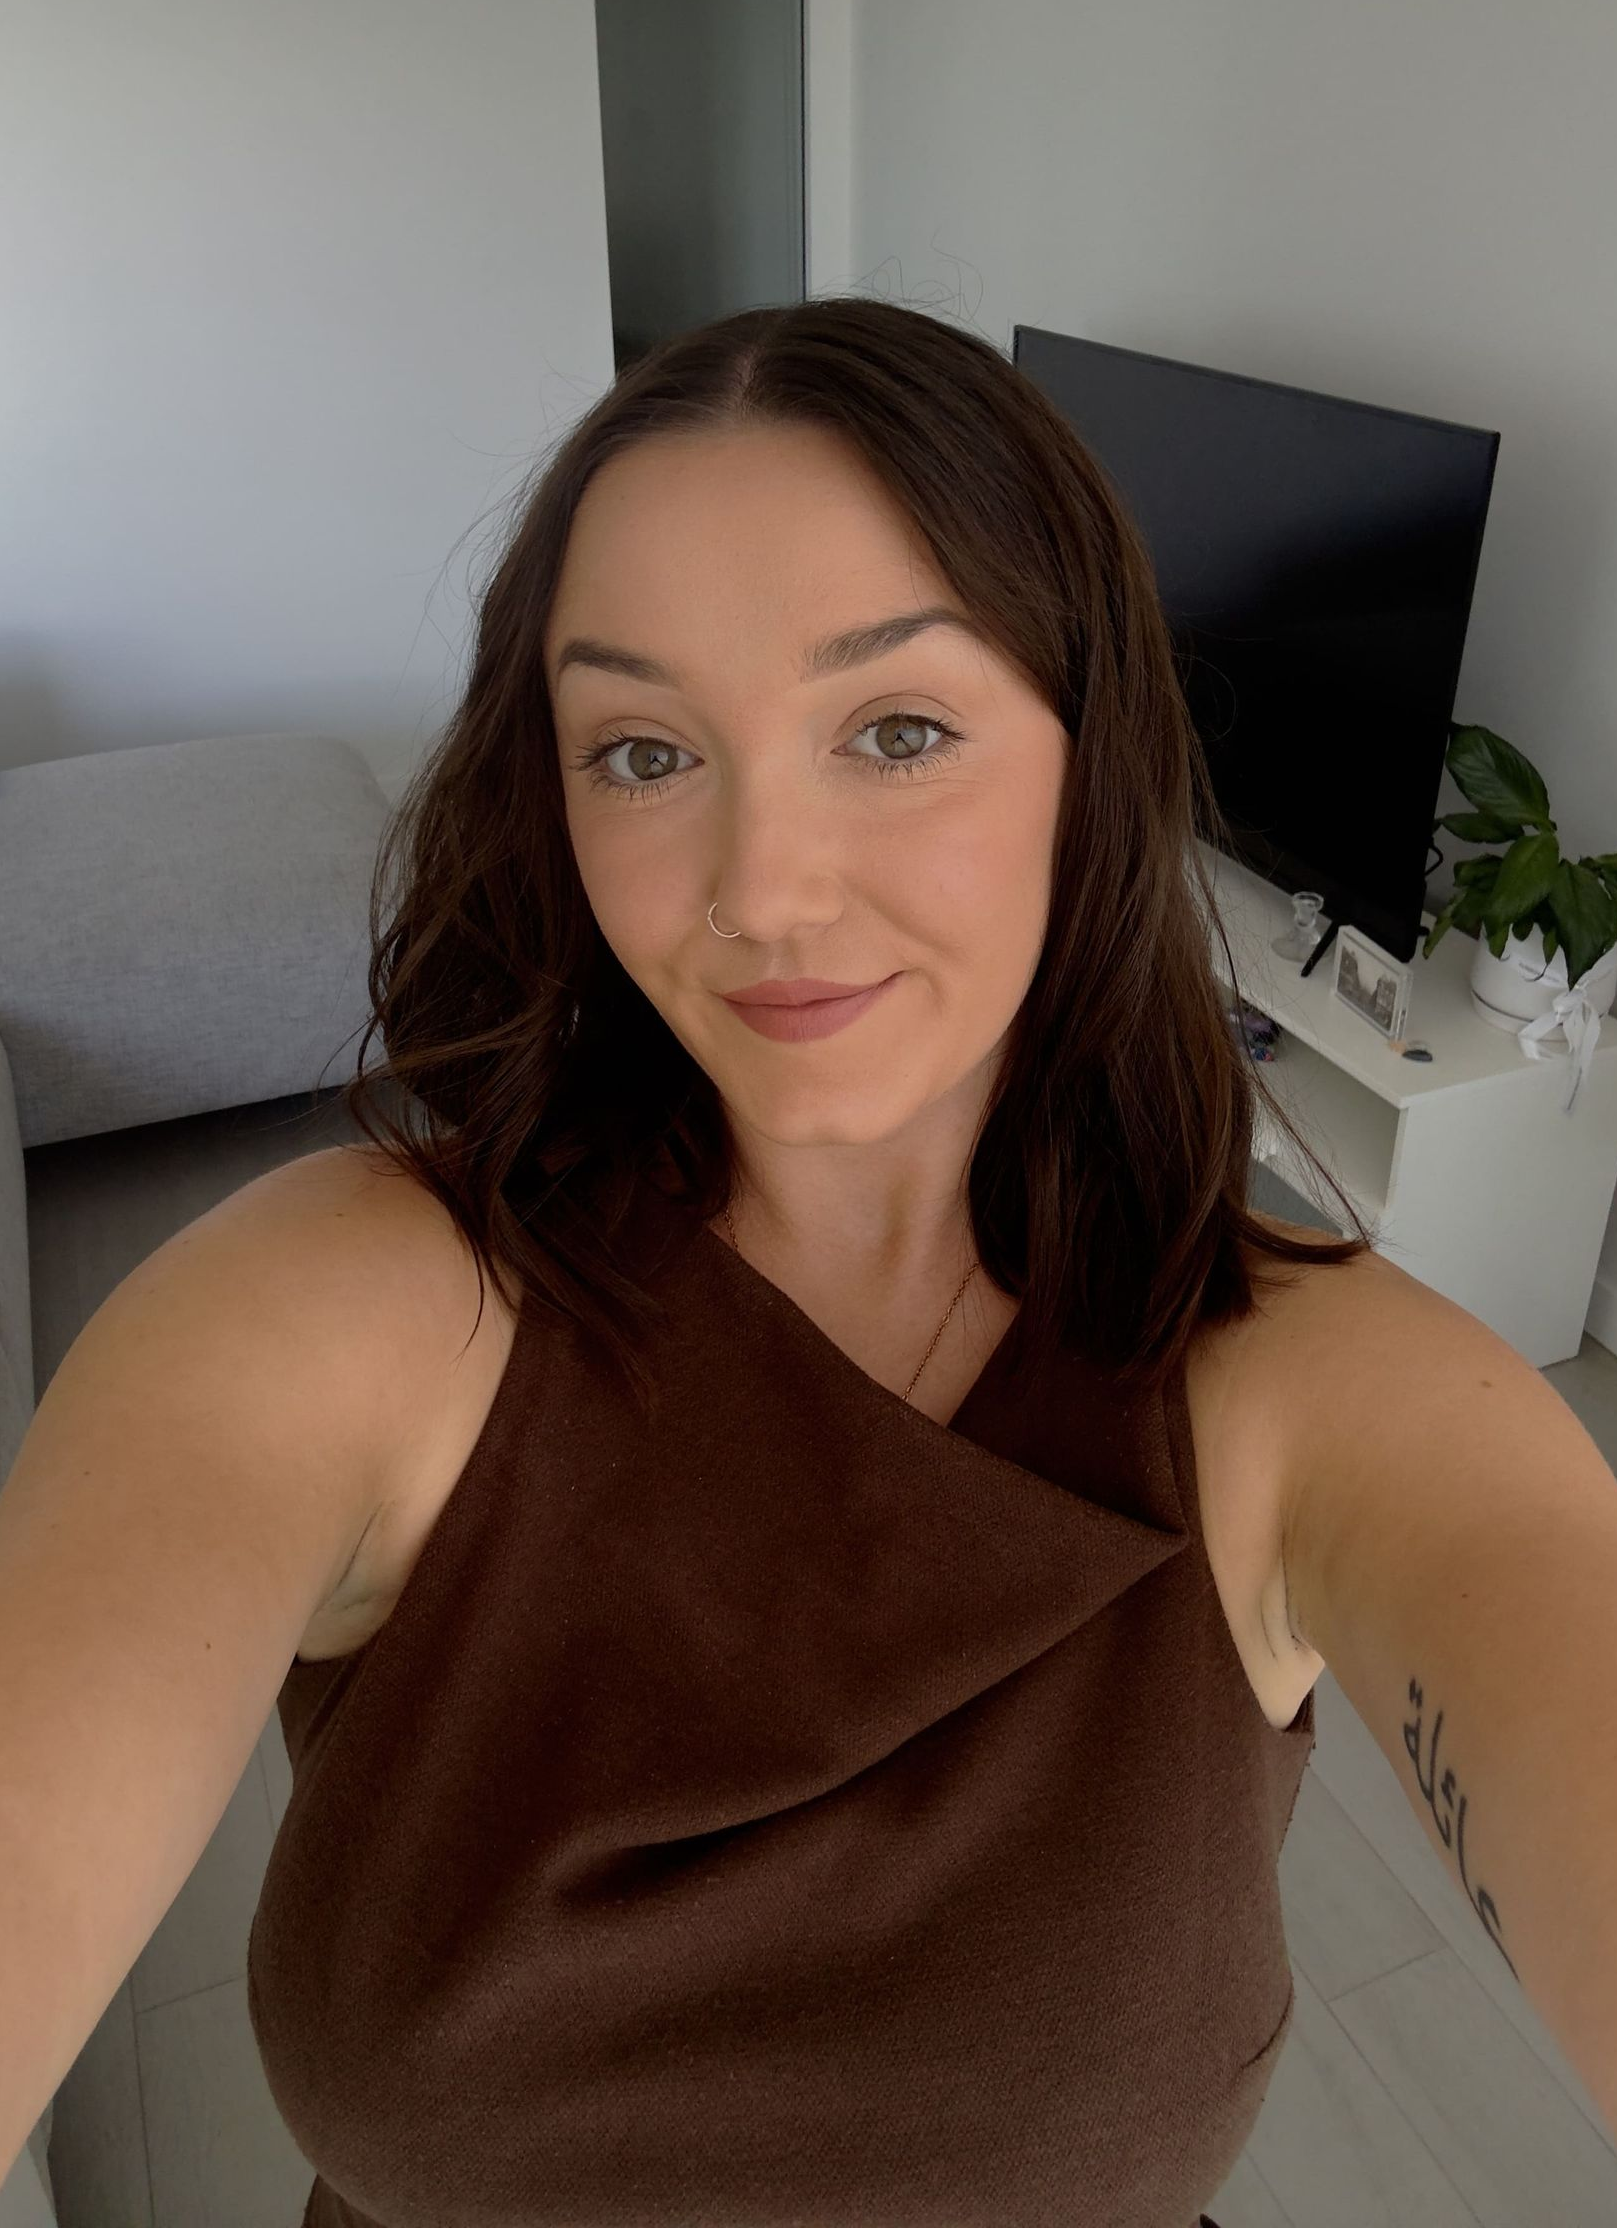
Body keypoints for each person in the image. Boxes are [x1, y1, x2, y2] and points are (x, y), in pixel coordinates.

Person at [6, 294, 1372, 2225]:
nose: (760, 891)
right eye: (643, 752)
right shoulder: (348, 1306)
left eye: (896, 729)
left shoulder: (1297, 1379)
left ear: (1095, 751)